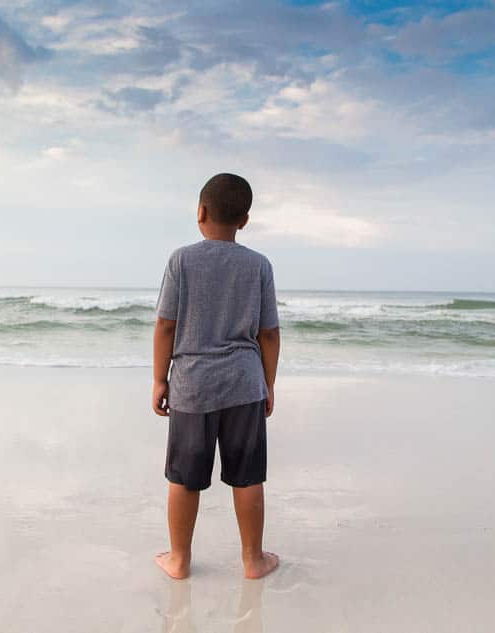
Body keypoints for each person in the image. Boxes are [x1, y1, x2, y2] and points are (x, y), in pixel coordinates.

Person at [152, 173, 281, 580]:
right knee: (247, 477)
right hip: (244, 383)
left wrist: (160, 379)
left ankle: (179, 559)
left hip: (193, 385)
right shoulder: (259, 265)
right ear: (244, 220)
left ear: (200, 211)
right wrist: (268, 383)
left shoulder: (182, 260)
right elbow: (269, 333)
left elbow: (166, 326)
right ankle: (253, 560)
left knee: (185, 478)